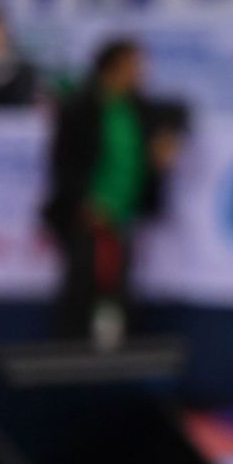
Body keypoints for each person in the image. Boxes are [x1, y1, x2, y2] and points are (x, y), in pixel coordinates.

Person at [41, 40, 183, 346]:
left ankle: (113, 363)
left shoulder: (138, 107)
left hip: (123, 216)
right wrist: (83, 203)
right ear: (113, 68)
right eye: (134, 65)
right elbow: (62, 161)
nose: (140, 73)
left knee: (118, 291)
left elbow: (180, 112)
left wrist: (167, 139)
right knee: (81, 288)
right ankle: (70, 359)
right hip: (85, 215)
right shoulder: (81, 107)